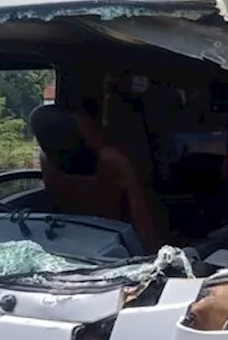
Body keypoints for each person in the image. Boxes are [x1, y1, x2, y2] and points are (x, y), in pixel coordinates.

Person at [29, 100, 163, 254]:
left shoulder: (47, 161)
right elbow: (141, 215)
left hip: (67, 238)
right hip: (112, 238)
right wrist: (152, 253)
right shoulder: (111, 160)